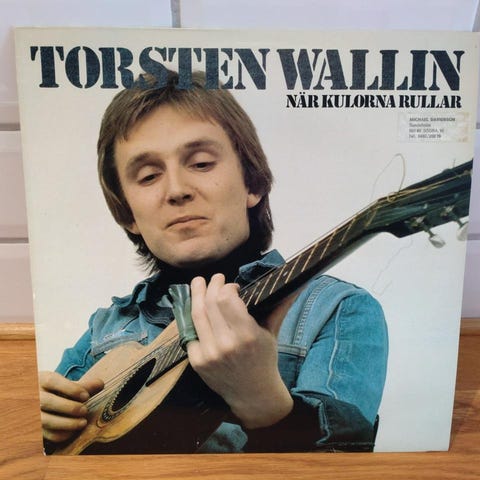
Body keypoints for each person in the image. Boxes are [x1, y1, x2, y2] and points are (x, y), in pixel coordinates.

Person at [39, 70, 388, 454]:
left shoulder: (337, 310)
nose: (177, 190)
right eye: (149, 175)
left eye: (202, 163)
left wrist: (264, 403)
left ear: (253, 184)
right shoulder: (103, 328)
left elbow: (345, 467)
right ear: (128, 214)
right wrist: (36, 421)